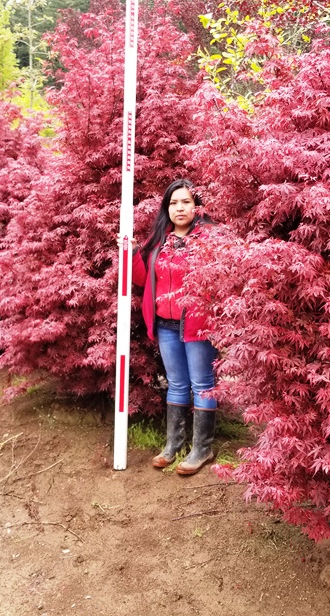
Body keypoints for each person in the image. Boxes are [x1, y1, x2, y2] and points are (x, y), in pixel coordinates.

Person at [132, 178, 218, 476]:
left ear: (197, 206)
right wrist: (132, 253)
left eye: (185, 202)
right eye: (173, 203)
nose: (179, 208)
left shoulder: (209, 238)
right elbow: (144, 281)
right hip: (165, 323)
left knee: (202, 384)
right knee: (177, 383)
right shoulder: (158, 240)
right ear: (166, 208)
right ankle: (173, 444)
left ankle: (202, 448)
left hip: (197, 323)